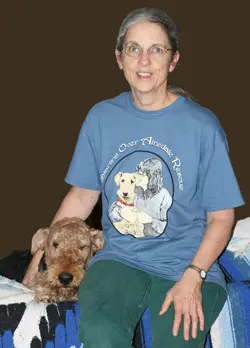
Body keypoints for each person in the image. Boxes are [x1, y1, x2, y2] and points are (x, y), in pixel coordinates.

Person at [23, 7, 245, 348]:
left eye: (156, 49)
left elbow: (221, 217)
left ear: (173, 60)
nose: (144, 60)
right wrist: (40, 261)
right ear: (119, 58)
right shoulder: (101, 118)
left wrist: (194, 275)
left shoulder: (203, 126)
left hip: (185, 262)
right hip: (119, 259)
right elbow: (82, 195)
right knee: (100, 334)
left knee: (176, 342)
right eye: (133, 49)